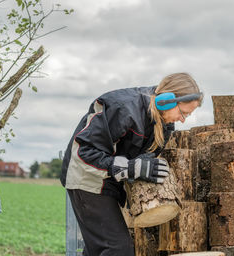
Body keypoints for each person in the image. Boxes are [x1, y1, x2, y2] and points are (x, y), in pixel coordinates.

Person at [60, 72, 203, 256]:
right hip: (87, 179)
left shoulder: (163, 125)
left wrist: (141, 165)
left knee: (97, 250)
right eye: (183, 113)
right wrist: (131, 168)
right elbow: (83, 153)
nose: (183, 119)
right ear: (166, 100)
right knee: (117, 248)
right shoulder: (124, 108)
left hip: (108, 182)